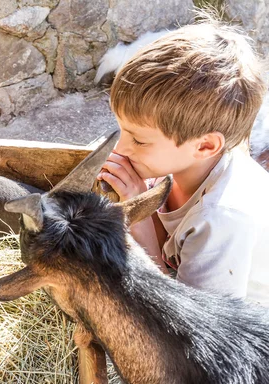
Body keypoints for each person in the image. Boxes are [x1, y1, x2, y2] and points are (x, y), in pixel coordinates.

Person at [98, 20, 269, 306]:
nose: (122, 148)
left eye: (139, 140)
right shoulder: (184, 166)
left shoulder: (221, 220)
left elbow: (191, 321)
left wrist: (138, 216)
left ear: (204, 145)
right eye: (121, 130)